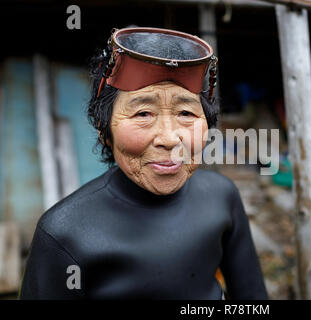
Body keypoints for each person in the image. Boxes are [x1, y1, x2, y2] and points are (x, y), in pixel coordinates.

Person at [19, 27, 268, 300]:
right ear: (104, 131)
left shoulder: (222, 197)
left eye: (186, 112)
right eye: (143, 113)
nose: (170, 139)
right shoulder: (63, 234)